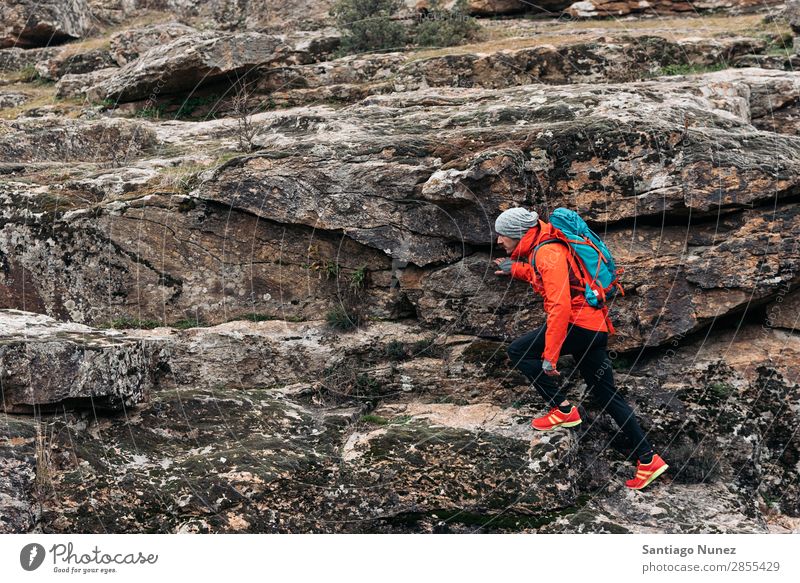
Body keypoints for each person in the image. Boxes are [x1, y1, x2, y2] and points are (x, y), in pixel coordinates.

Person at [492, 207, 668, 490]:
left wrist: (550, 356)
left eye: (502, 235)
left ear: (518, 233)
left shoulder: (547, 251)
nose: (499, 240)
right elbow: (556, 277)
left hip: (578, 326)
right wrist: (516, 269)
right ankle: (648, 459)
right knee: (607, 396)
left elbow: (559, 307)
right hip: (594, 328)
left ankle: (562, 409)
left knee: (518, 351)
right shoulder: (547, 246)